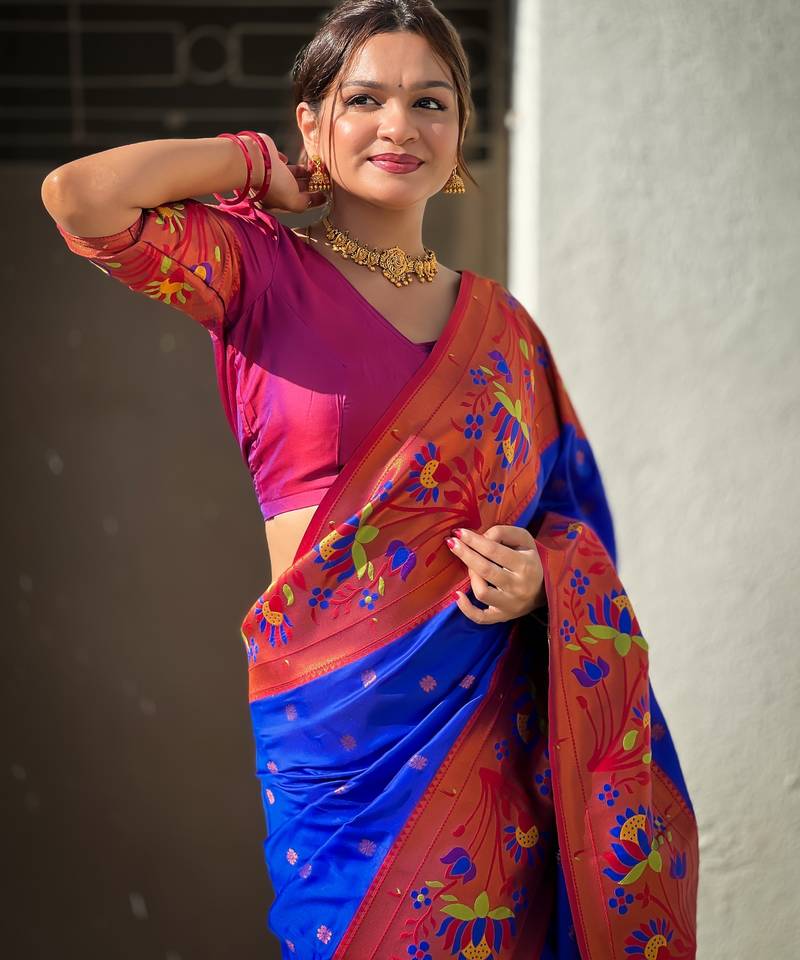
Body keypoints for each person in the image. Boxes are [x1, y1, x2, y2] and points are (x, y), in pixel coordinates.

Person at [41, 1, 699, 956]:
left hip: (488, 733)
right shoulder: (258, 273)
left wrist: (541, 580)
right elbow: (80, 198)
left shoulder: (506, 329)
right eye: (364, 100)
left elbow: (568, 517)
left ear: (460, 132)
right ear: (313, 123)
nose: (400, 125)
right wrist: (252, 166)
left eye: (431, 101)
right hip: (342, 728)